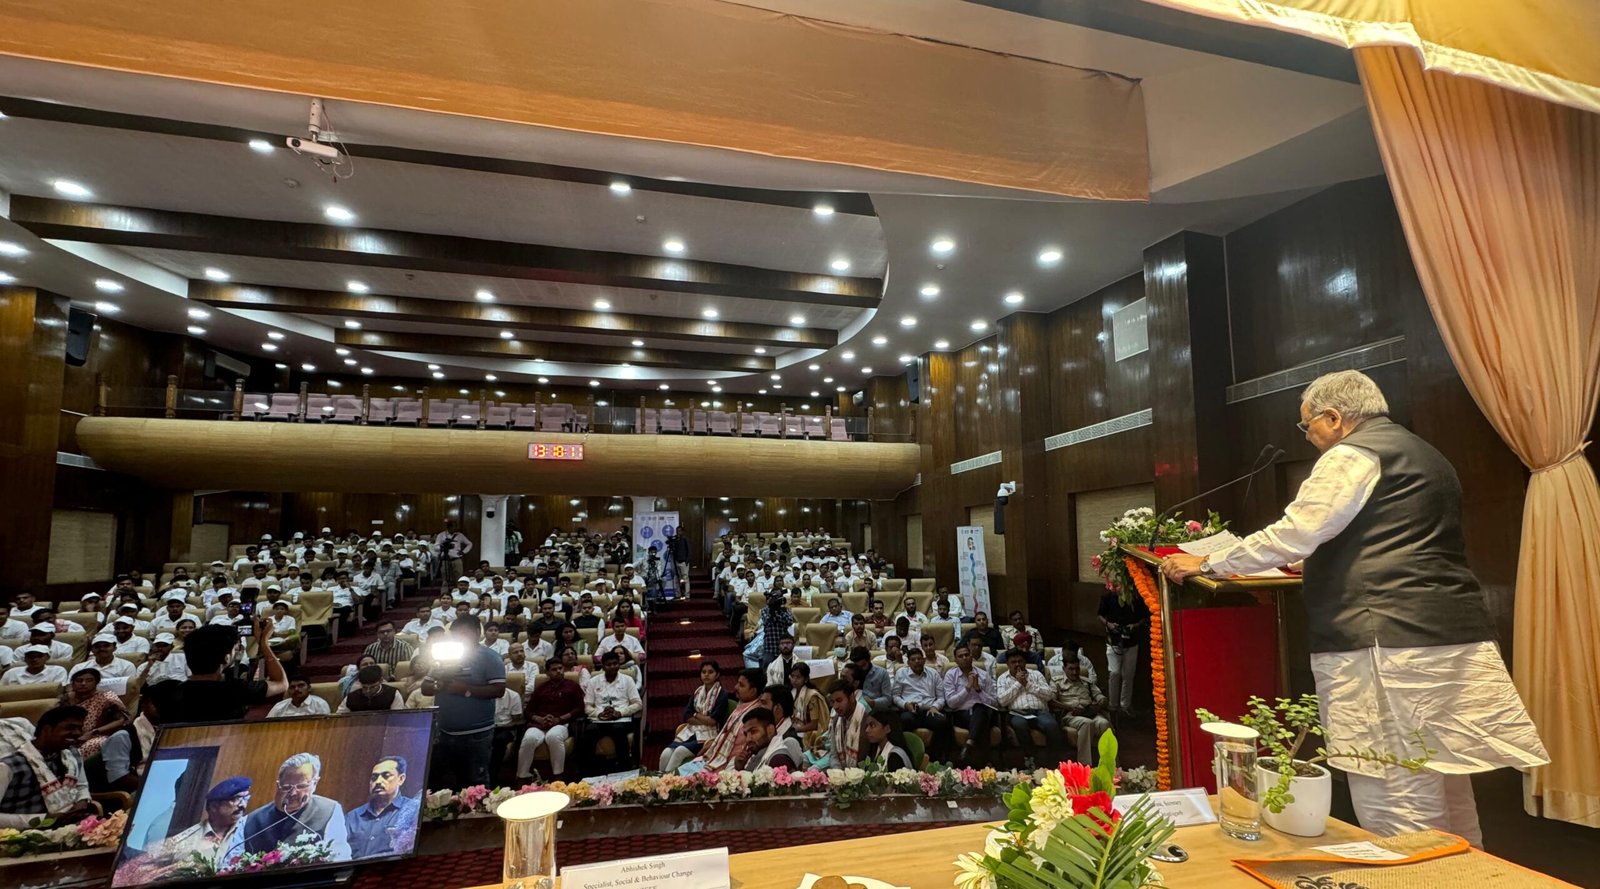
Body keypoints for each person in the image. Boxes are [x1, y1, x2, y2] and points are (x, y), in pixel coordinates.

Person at [1159, 370, 1546, 845]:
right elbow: (1384, 537)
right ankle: (1471, 873)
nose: (1309, 438)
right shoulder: (1426, 453)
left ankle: (1415, 879)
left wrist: (1210, 560)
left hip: (1383, 642)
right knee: (1447, 783)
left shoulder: (1351, 454)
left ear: (1334, 417)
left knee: (1394, 789)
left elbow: (1295, 532)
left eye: (1307, 427)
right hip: (1448, 637)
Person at [422, 614, 508, 789]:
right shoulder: (445, 656)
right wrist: (440, 685)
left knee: (477, 783)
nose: (459, 638)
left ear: (477, 633)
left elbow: (498, 690)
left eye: (464, 633)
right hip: (446, 732)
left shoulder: (490, 657)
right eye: (455, 634)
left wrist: (464, 689)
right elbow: (425, 688)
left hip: (477, 734)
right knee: (446, 782)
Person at [145, 619, 287, 724]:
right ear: (226, 659)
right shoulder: (236, 689)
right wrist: (263, 643)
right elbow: (281, 683)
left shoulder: (163, 691)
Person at [230, 753, 351, 862]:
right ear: (278, 785)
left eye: (302, 786)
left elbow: (340, 857)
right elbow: (230, 863)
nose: (293, 793)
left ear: (315, 783)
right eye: (287, 787)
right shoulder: (249, 821)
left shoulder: (329, 810)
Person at [0, 706, 92, 827]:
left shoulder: (72, 754)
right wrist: (44, 820)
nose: (77, 733)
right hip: (26, 836)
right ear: (46, 730)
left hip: (74, 825)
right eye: (70, 728)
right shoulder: (9, 766)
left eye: (79, 728)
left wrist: (82, 802)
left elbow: (82, 786)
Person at [152, 777, 250, 869]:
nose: (242, 805)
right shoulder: (184, 842)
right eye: (235, 799)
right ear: (214, 806)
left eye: (246, 798)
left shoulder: (249, 829)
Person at [516, 659, 584, 780]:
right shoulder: (541, 688)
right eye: (554, 669)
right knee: (529, 738)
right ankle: (522, 776)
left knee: (553, 736)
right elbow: (528, 711)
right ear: (547, 673)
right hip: (539, 724)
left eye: (560, 668)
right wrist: (540, 719)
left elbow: (579, 709)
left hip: (562, 724)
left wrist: (559, 719)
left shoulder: (572, 686)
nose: (558, 671)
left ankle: (558, 776)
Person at [659, 661, 730, 773]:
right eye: (703, 672)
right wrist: (703, 719)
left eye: (710, 672)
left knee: (679, 751)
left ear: (717, 675)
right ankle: (660, 778)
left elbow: (712, 721)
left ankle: (667, 780)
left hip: (708, 736)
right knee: (666, 753)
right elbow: (687, 716)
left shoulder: (722, 695)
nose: (706, 675)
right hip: (690, 731)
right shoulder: (697, 692)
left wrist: (696, 714)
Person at [344, 755, 420, 859]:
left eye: (386, 776)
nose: (378, 781)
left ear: (401, 779)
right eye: (374, 778)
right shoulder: (353, 816)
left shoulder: (413, 810)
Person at [996, 649, 1062, 764]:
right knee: (1020, 725)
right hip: (1018, 713)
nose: (1017, 664)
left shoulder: (1036, 674)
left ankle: (1053, 762)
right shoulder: (1003, 678)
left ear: (1025, 662)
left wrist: (1028, 684)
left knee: (1051, 725)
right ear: (1007, 664)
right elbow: (1002, 701)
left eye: (1020, 661)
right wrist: (1018, 684)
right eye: (1013, 662)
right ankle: (1031, 759)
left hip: (1039, 711)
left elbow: (1049, 694)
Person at [581, 652, 642, 772]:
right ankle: (590, 770)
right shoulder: (594, 681)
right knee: (589, 731)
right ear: (603, 667)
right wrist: (599, 713)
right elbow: (587, 706)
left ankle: (624, 769)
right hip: (599, 719)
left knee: (618, 729)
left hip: (621, 719)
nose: (613, 667)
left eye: (615, 664)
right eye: (609, 665)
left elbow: (638, 704)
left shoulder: (627, 680)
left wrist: (620, 712)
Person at [941, 644, 998, 766]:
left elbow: (994, 702)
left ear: (972, 656)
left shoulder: (983, 675)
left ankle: (969, 745)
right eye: (961, 656)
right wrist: (967, 688)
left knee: (980, 709)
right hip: (961, 715)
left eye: (967, 655)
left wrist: (978, 689)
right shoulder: (950, 675)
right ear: (955, 660)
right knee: (982, 722)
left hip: (984, 713)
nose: (965, 658)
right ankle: (983, 764)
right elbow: (951, 703)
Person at [891, 648, 951, 760]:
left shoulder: (933, 673)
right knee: (904, 720)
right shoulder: (901, 673)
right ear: (908, 662)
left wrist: (935, 707)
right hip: (911, 710)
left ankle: (934, 758)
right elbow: (895, 696)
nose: (917, 661)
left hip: (930, 710)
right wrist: (905, 705)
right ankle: (907, 756)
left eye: (919, 659)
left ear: (924, 660)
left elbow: (941, 697)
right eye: (913, 659)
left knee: (943, 722)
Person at [1098, 589, 1148, 717]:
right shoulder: (1108, 596)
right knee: (1114, 673)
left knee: (1128, 675)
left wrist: (1135, 626)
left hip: (1132, 641)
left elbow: (1144, 617)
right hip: (1113, 640)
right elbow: (1100, 615)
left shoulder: (1135, 597)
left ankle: (1125, 705)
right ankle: (1113, 705)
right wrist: (1109, 625)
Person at [1053, 660, 1112, 765]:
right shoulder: (1057, 682)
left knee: (1104, 724)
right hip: (1071, 715)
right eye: (1071, 669)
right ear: (1064, 669)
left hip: (1090, 712)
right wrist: (1070, 707)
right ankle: (1084, 765)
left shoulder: (1087, 682)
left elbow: (1100, 696)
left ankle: (1110, 764)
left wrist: (1100, 703)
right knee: (1087, 723)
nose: (1075, 672)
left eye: (1077, 669)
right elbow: (1052, 701)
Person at [59, 667, 128, 758]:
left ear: (96, 683)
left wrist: (93, 732)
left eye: (89, 680)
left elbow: (121, 720)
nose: (83, 683)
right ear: (73, 683)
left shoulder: (106, 697)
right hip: (70, 736)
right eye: (79, 680)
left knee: (95, 744)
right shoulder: (66, 699)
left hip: (98, 735)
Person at [824, 679, 869, 768]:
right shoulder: (836, 720)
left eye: (839, 700)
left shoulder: (867, 721)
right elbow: (834, 755)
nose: (835, 706)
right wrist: (838, 774)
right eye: (833, 702)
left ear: (852, 697)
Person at [787, 663, 827, 753]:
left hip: (809, 734)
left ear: (806, 679)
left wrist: (794, 730)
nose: (794, 680)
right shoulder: (791, 692)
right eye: (792, 676)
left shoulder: (811, 696)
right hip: (795, 728)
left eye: (798, 677)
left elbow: (814, 725)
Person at [340, 664, 404, 712]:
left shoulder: (392, 694)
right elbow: (340, 716)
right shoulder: (351, 697)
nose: (368, 691)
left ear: (381, 681)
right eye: (364, 687)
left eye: (372, 687)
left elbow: (397, 717)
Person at [849, 646, 893, 710]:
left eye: (863, 665)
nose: (860, 669)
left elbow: (888, 700)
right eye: (857, 666)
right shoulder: (851, 672)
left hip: (875, 710)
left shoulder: (882, 673)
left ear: (869, 660)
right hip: (854, 708)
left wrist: (873, 702)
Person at [2, 645, 68, 687]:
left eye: (39, 656)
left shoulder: (58, 671)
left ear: (47, 657)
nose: (35, 659)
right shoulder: (11, 673)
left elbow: (59, 691)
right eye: (31, 657)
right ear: (25, 659)